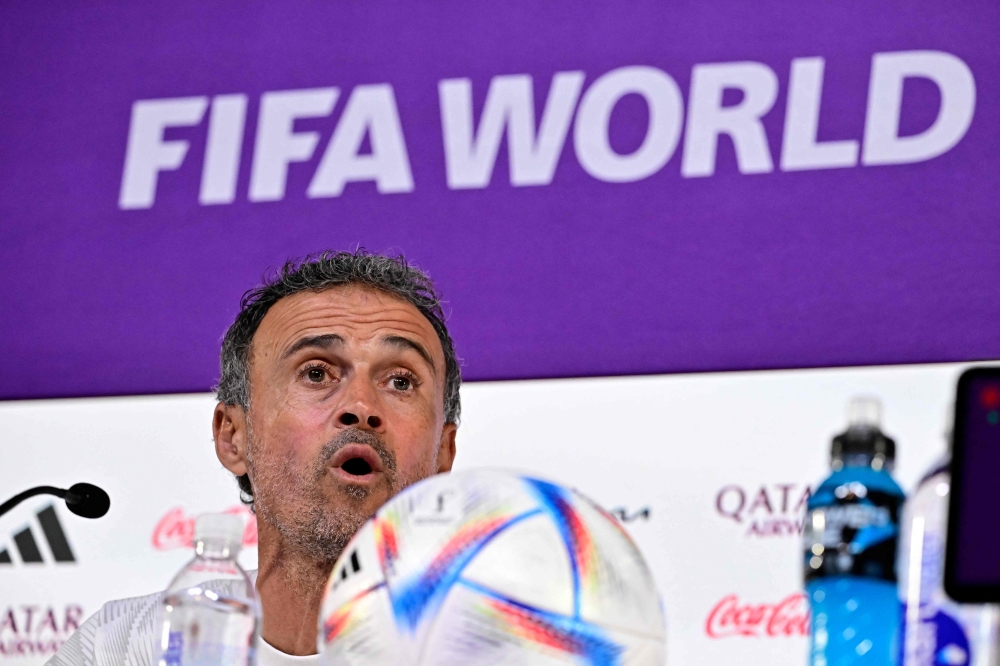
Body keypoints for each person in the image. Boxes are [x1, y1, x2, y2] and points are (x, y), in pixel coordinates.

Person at [47, 250, 462, 666]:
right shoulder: (124, 646)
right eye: (316, 373)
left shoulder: (505, 647)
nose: (360, 405)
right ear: (233, 437)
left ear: (443, 453)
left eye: (401, 381)